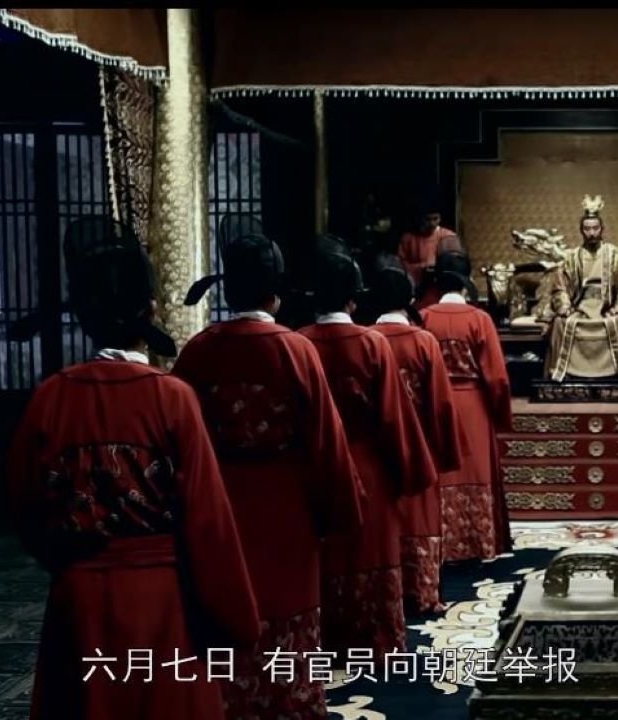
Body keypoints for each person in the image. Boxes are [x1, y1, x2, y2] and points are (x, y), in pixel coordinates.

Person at [5, 218, 260, 720]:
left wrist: (69, 558)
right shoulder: (171, 398)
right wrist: (236, 617)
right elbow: (207, 519)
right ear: (150, 309)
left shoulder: (51, 398)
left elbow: (22, 501)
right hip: (161, 599)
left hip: (79, 599)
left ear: (84, 317)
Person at [178, 224, 362, 718]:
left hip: (216, 501)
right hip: (286, 502)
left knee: (223, 597)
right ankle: (289, 700)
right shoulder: (294, 349)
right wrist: (341, 510)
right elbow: (325, 439)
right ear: (276, 292)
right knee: (287, 600)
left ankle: (227, 700)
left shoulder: (199, 350)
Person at [298, 239, 439, 657]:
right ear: (353, 300)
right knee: (370, 550)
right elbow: (394, 417)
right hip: (367, 461)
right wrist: (410, 471)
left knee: (326, 552)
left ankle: (325, 636)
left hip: (313, 467)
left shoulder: (298, 343)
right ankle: (373, 637)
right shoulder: (371, 343)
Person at [368, 252, 463, 611]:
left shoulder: (365, 339)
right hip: (420, 445)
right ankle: (422, 591)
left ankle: (383, 595)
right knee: (419, 517)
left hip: (374, 448)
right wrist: (446, 452)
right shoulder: (423, 341)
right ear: (409, 299)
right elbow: (441, 403)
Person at [421, 236, 513, 561]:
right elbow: (497, 378)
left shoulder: (424, 317)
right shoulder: (479, 319)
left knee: (441, 472)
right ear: (467, 280)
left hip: (435, 403)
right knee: (475, 472)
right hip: (473, 404)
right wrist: (501, 416)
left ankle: (442, 542)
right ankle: (478, 541)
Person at [543, 195, 618, 381]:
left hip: (606, 309)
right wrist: (564, 306)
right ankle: (564, 375)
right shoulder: (572, 258)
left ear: (602, 229)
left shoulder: (615, 255)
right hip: (580, 309)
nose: (591, 233)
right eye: (587, 229)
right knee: (559, 323)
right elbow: (560, 287)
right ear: (581, 230)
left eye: (595, 228)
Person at [399, 195, 457, 288]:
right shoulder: (408, 239)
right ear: (420, 218)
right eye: (428, 219)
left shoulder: (448, 237)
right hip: (415, 286)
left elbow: (456, 264)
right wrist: (422, 268)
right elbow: (401, 266)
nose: (432, 223)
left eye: (435, 219)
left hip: (442, 285)